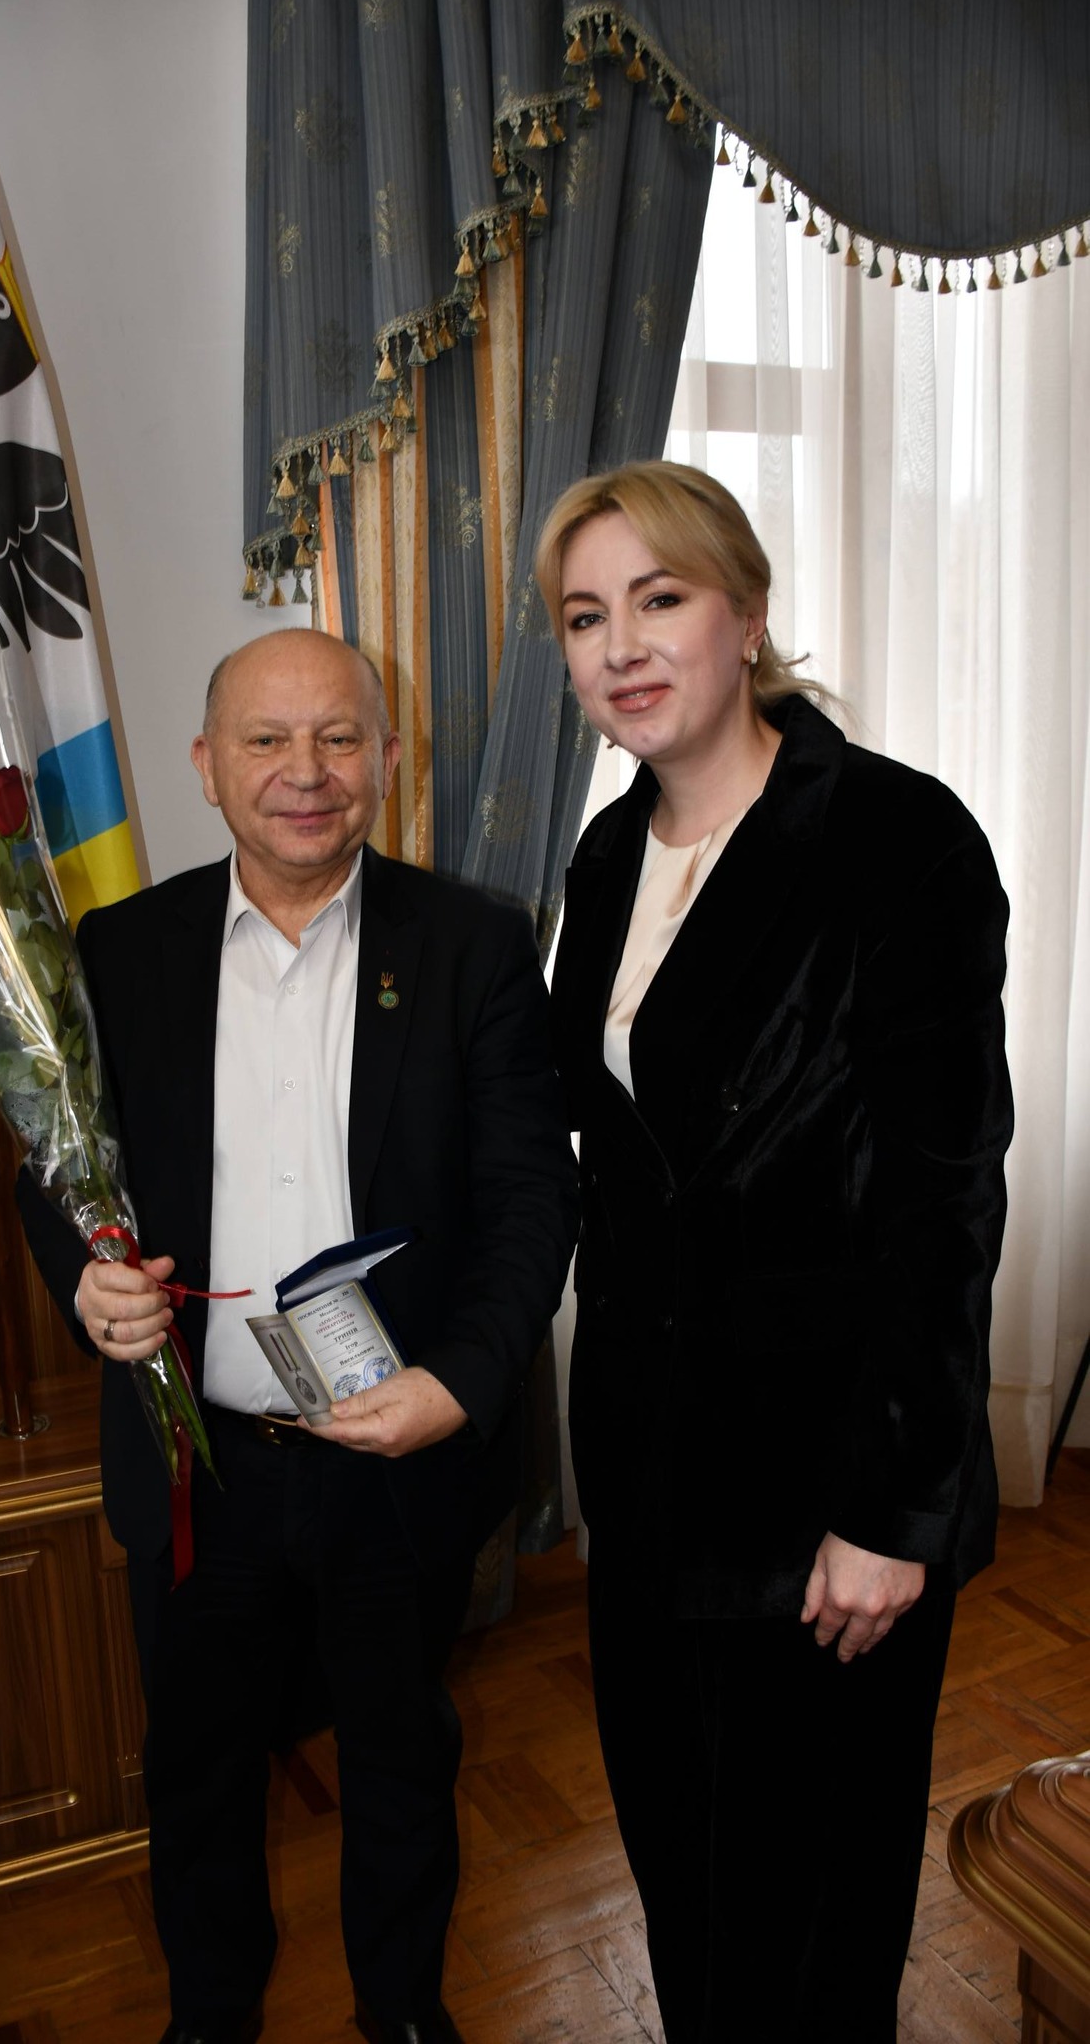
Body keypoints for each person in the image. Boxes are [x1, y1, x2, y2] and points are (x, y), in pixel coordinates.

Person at [17, 629, 578, 2044]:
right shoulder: (120, 951)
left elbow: (531, 1202)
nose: (305, 771)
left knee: (400, 1759)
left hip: (396, 1450)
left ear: (388, 759)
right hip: (196, 1463)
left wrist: (459, 1383)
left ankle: (402, 2014)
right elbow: (57, 1169)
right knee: (198, 1773)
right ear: (206, 767)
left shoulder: (474, 946)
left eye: (337, 737)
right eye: (266, 740)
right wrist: (86, 1283)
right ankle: (210, 2019)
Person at [539, 461, 1013, 2043]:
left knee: (814, 1917)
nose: (621, 645)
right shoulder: (604, 857)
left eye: (658, 598)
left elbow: (942, 1199)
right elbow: (613, 1164)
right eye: (583, 616)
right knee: (686, 1885)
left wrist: (889, 1510)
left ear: (744, 615)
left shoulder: (893, 837)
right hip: (647, 1472)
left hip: (829, 1486)